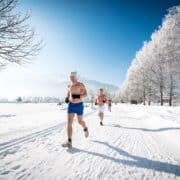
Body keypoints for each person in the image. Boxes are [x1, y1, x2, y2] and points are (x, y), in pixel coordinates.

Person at [62, 72, 89, 148]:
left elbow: (86, 94)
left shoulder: (81, 84)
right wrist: (67, 98)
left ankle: (85, 128)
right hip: (71, 105)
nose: (71, 78)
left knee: (80, 121)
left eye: (73, 77)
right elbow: (68, 93)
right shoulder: (69, 85)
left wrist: (78, 96)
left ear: (76, 77)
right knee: (69, 123)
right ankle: (69, 141)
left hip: (79, 105)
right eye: (70, 77)